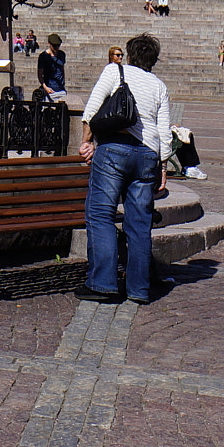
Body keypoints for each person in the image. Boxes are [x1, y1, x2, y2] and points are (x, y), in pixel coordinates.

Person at [78, 33, 172, 304]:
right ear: (153, 60)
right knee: (140, 224)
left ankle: (102, 283)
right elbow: (164, 133)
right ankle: (139, 289)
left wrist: (86, 143)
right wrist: (163, 167)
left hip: (114, 150)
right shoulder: (159, 86)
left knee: (100, 214)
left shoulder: (115, 71)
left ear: (130, 55)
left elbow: (92, 109)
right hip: (147, 157)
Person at [37, 32, 69, 104]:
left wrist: (63, 83)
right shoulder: (43, 56)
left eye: (58, 45)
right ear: (49, 44)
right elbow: (40, 75)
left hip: (61, 90)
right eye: (54, 45)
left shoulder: (62, 54)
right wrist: (46, 88)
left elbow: (62, 69)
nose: (56, 47)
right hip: (50, 90)